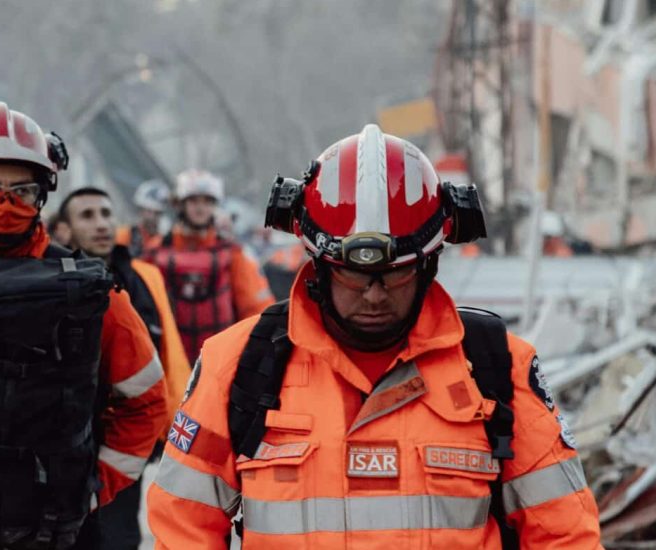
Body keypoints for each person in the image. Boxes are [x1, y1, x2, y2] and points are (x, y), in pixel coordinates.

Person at [147, 124, 602, 548]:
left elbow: (563, 533)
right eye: (353, 275)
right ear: (317, 265)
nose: (374, 295)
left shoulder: (497, 367)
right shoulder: (238, 367)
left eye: (395, 275)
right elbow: (183, 525)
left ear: (429, 265)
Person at [0, 102, 168, 549]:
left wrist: (97, 485)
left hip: (56, 532)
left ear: (43, 193)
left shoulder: (95, 293)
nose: (4, 202)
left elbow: (147, 401)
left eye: (20, 189)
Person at [54, 186, 190, 550]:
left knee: (120, 536)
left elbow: (169, 350)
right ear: (63, 229)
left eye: (106, 213)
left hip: (127, 439)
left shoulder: (146, 277)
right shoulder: (48, 281)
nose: (101, 224)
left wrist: (173, 422)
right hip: (64, 445)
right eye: (87, 215)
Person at [144, 169, 274, 355]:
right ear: (180, 204)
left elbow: (254, 309)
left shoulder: (232, 253)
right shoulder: (155, 253)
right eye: (194, 201)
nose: (200, 208)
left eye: (207, 201)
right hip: (172, 358)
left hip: (219, 357)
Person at [116, 179, 169, 256]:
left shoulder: (162, 241)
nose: (153, 217)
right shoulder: (123, 235)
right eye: (149, 211)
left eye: (157, 213)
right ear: (141, 210)